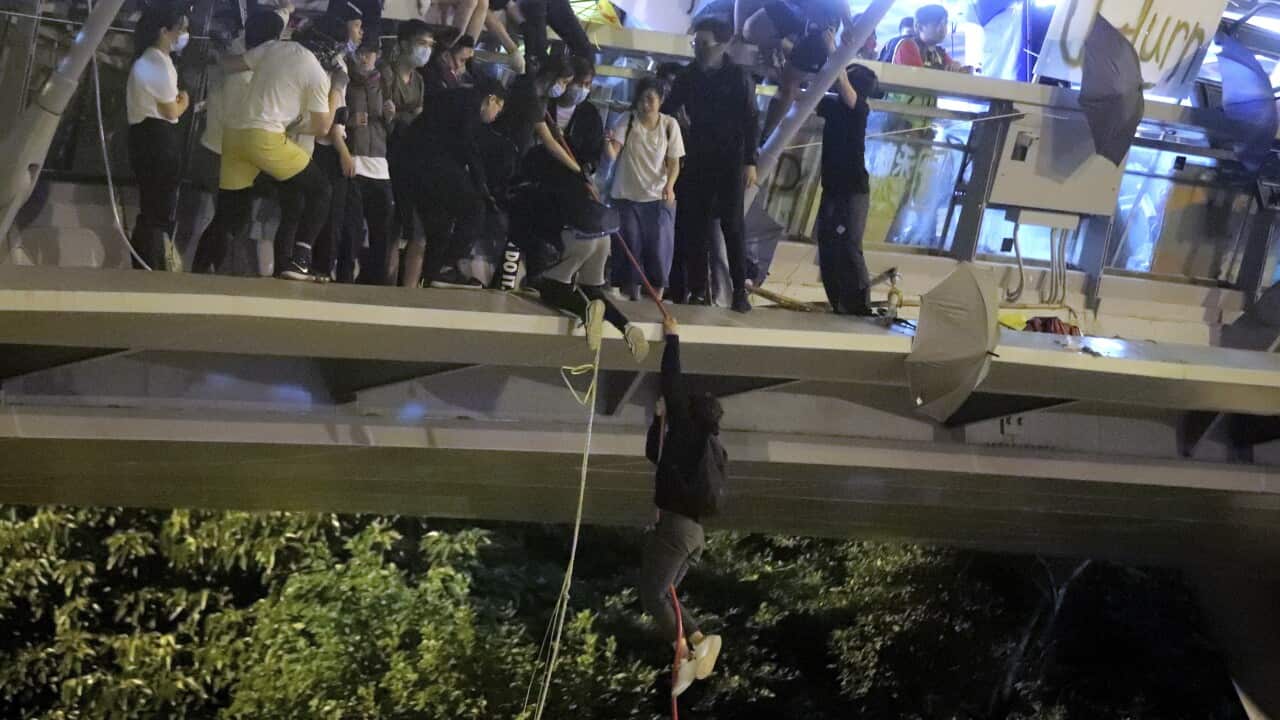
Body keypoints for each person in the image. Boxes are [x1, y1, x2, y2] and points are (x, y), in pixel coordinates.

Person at [213, 17, 345, 280]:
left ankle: (202, 269)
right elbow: (322, 128)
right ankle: (301, 260)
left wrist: (214, 54)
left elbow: (231, 65)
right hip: (265, 139)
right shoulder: (316, 73)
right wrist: (337, 90)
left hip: (234, 135)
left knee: (230, 212)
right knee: (321, 190)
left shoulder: (274, 47)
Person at [642, 315, 725, 698]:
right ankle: (691, 646)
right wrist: (658, 421)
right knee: (666, 597)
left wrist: (672, 337)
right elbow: (655, 455)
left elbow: (671, 380)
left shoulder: (687, 429)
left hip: (676, 530)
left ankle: (692, 643)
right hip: (693, 534)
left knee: (652, 595)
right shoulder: (711, 448)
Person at [662, 17, 759, 313]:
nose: (699, 50)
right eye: (696, 44)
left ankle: (740, 289)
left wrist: (750, 162)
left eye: (705, 44)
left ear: (723, 44)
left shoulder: (739, 77)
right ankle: (697, 288)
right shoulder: (689, 76)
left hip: (730, 158)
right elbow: (667, 110)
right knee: (695, 224)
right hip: (697, 156)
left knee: (732, 224)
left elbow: (752, 120)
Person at [191, 10, 285, 274]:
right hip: (223, 155)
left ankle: (205, 267)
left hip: (222, 153)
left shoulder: (240, 62)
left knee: (229, 216)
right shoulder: (241, 75)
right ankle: (209, 269)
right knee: (233, 217)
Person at [397, 79, 506, 288]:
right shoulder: (470, 103)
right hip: (430, 163)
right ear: (491, 99)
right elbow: (467, 145)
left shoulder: (454, 98)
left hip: (415, 165)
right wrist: (481, 184)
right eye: (498, 108)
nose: (495, 116)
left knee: (440, 226)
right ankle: (447, 266)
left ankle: (431, 277)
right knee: (474, 208)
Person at [125, 0, 191, 271]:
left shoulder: (154, 60)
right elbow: (171, 110)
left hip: (148, 138)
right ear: (165, 31)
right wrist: (185, 100)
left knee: (151, 208)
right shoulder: (156, 62)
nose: (184, 35)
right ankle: (150, 264)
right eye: (181, 29)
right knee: (158, 211)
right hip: (157, 140)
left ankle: (143, 262)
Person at [606, 77, 684, 301]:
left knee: (659, 245)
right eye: (641, 99)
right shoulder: (627, 120)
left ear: (660, 101)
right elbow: (613, 153)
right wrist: (607, 143)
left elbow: (674, 163)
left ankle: (657, 292)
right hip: (626, 195)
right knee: (630, 244)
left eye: (650, 99)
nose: (645, 104)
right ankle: (632, 292)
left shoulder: (669, 125)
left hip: (657, 196)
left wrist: (669, 185)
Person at [815, 60, 878, 316]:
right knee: (827, 243)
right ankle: (838, 301)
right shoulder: (833, 106)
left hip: (853, 190)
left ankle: (860, 303)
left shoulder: (859, 108)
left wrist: (834, 51)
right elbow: (804, 96)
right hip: (831, 187)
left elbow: (841, 81)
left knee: (850, 245)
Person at [752, 0, 858, 142]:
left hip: (818, 28)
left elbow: (840, 4)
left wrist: (847, 24)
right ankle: (765, 137)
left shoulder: (822, 25)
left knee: (789, 84)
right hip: (800, 18)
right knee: (750, 30)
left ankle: (765, 138)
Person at [340, 41, 396, 284]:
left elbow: (389, 127)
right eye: (361, 53)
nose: (365, 58)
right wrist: (350, 120)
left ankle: (376, 279)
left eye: (370, 53)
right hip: (354, 159)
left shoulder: (383, 82)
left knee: (382, 230)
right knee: (351, 227)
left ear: (378, 55)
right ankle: (344, 275)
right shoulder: (345, 79)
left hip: (380, 165)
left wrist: (390, 116)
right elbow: (333, 115)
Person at [384, 19, 432, 282]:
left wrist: (403, 114)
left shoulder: (419, 81)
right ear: (404, 44)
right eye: (421, 44)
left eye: (429, 45)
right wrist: (407, 114)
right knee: (391, 229)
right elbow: (387, 117)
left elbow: (416, 117)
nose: (426, 50)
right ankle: (387, 283)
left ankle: (410, 290)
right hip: (388, 156)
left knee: (417, 232)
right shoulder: (386, 73)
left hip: (411, 158)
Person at [548, 57, 604, 177]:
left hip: (572, 178)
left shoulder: (591, 114)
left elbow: (595, 152)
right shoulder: (545, 106)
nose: (583, 89)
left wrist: (588, 167)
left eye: (587, 84)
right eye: (579, 83)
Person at [890, 4, 967, 72]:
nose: (942, 28)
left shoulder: (940, 53)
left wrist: (956, 66)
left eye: (945, 23)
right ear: (919, 27)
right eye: (936, 24)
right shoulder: (908, 46)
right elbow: (919, 81)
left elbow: (957, 72)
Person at [421, 27, 473, 93]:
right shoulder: (431, 75)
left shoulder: (447, 73)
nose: (462, 66)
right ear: (445, 55)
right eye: (462, 60)